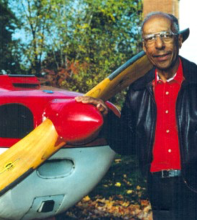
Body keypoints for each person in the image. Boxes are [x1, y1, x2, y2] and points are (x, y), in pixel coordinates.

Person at [75, 12, 197, 220]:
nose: (158, 45)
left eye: (166, 36)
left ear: (178, 40)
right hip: (158, 189)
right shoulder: (138, 90)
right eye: (150, 39)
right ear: (144, 47)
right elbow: (129, 144)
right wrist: (107, 118)